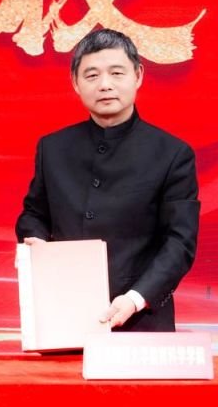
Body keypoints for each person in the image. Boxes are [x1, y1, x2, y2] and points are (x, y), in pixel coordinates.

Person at [16, 28, 198, 332]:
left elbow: (180, 243)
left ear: (138, 75)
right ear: (75, 83)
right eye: (91, 75)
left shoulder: (172, 153)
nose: (105, 85)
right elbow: (34, 213)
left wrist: (136, 298)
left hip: (141, 320)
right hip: (63, 310)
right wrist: (35, 241)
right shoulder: (53, 148)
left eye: (116, 73)